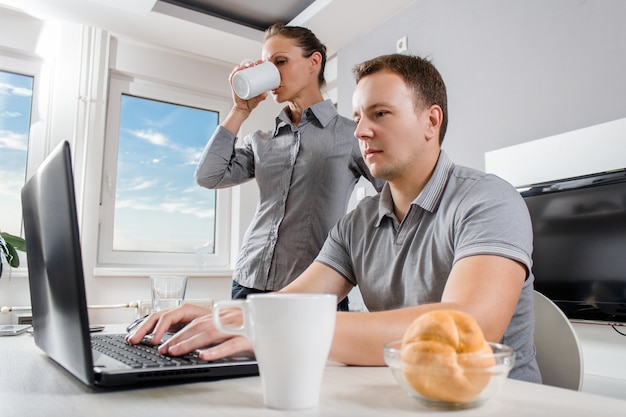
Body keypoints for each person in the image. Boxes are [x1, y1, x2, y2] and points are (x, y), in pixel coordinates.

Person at [128, 53, 541, 382]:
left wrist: (267, 326)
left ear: (431, 121)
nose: (360, 132)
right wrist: (221, 313)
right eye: (359, 117)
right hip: (397, 395)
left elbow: (467, 327)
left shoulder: (488, 200)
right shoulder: (356, 224)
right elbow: (290, 303)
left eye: (380, 114)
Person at [194, 23, 383, 310]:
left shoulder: (351, 134)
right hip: (249, 281)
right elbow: (209, 176)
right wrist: (240, 110)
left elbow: (395, 196)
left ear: (314, 62)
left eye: (280, 62)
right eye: (267, 66)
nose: (272, 75)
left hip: (314, 288)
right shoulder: (261, 141)